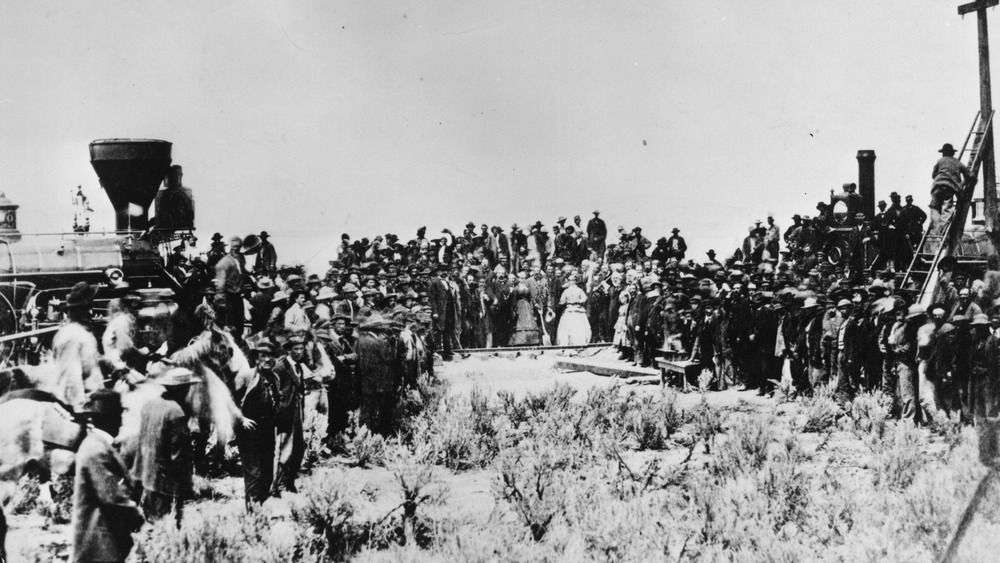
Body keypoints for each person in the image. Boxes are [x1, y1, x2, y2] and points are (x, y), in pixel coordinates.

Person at [72, 389, 144, 563]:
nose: (121, 421)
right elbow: (112, 496)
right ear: (107, 418)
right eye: (118, 415)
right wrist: (140, 520)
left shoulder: (100, 445)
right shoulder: (96, 450)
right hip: (98, 544)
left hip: (104, 541)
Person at [131, 367, 200, 526]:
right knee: (164, 522)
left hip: (146, 471)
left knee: (151, 516)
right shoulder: (176, 412)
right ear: (180, 388)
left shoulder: (149, 404)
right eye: (187, 386)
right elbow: (178, 453)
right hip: (165, 478)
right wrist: (185, 483)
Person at [233, 342, 279, 509]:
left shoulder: (274, 378)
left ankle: (260, 504)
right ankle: (253, 512)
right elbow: (229, 401)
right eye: (263, 356)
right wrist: (242, 419)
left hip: (267, 431)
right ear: (256, 358)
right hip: (249, 432)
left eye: (270, 356)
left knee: (267, 474)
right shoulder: (246, 376)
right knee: (254, 473)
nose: (267, 360)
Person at [272, 335, 309, 494]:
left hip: (297, 411)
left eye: (301, 349)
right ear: (288, 350)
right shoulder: (280, 367)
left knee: (297, 448)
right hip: (285, 413)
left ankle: (289, 482)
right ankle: (279, 485)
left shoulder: (299, 366)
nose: (299, 352)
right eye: (296, 349)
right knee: (284, 449)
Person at [930, 143, 975, 229]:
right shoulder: (957, 162)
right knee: (947, 208)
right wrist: (964, 183)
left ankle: (936, 229)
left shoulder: (940, 161)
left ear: (943, 153)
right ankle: (943, 228)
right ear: (952, 153)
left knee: (934, 207)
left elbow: (933, 175)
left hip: (936, 187)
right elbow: (970, 175)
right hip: (949, 187)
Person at [214, 236, 247, 339]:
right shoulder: (224, 262)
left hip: (237, 295)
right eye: (233, 247)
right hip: (228, 297)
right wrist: (222, 303)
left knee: (239, 324)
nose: (235, 249)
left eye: (238, 247)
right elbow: (220, 283)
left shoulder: (240, 259)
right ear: (230, 247)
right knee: (231, 325)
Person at [556, 273, 591, 345]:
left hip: (578, 309)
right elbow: (562, 301)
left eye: (573, 280)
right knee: (567, 327)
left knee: (578, 327)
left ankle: (579, 343)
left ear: (575, 281)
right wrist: (562, 303)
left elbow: (584, 298)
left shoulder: (579, 290)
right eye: (570, 280)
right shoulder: (566, 291)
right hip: (569, 310)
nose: (571, 282)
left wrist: (578, 301)